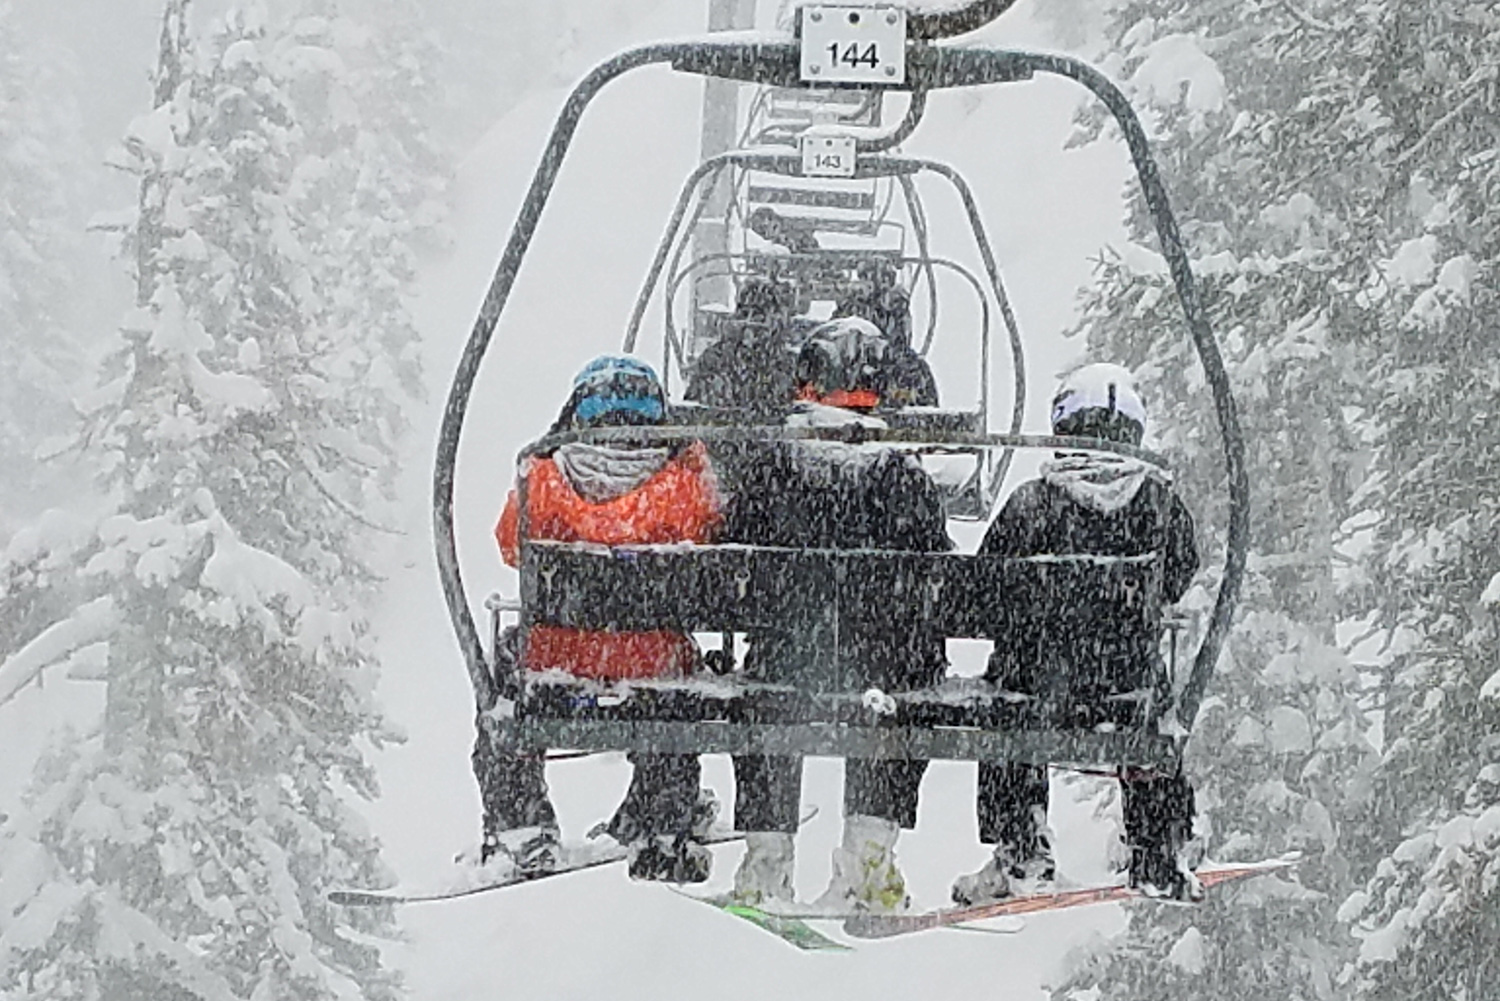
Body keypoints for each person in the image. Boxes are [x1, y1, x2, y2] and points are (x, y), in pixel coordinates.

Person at [723, 317, 952, 913]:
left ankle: (767, 860)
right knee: (893, 704)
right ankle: (869, 860)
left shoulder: (772, 469)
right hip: (883, 667)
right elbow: (938, 572)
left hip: (790, 664)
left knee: (768, 702)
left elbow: (731, 557)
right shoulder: (901, 474)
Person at [952, 363, 1203, 905]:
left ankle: (1022, 850)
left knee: (1005, 712)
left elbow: (981, 593)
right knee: (1156, 722)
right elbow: (1181, 574)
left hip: (1037, 692)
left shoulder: (1032, 502)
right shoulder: (1158, 502)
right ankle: (1156, 851)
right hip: (1126, 692)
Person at [476, 356, 724, 882]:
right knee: (680, 682)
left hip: (555, 663)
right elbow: (709, 535)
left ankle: (522, 825)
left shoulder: (543, 475)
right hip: (652, 666)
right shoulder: (682, 481)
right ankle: (662, 817)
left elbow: (508, 544)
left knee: (501, 685)